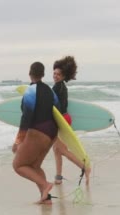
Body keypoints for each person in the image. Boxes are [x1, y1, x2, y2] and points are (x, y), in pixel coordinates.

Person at [12, 62, 60, 204]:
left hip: (39, 131)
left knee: (18, 165)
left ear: (30, 73)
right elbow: (58, 110)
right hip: (52, 132)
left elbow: (26, 117)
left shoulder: (31, 91)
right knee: (35, 166)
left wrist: (18, 141)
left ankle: (45, 185)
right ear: (43, 74)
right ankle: (46, 198)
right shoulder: (51, 91)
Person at [51, 56, 91, 185]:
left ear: (63, 76)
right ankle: (58, 177)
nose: (55, 76)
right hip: (64, 118)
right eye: (54, 73)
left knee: (61, 150)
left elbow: (53, 108)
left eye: (58, 74)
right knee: (57, 149)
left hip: (60, 120)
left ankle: (85, 168)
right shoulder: (61, 86)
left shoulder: (57, 88)